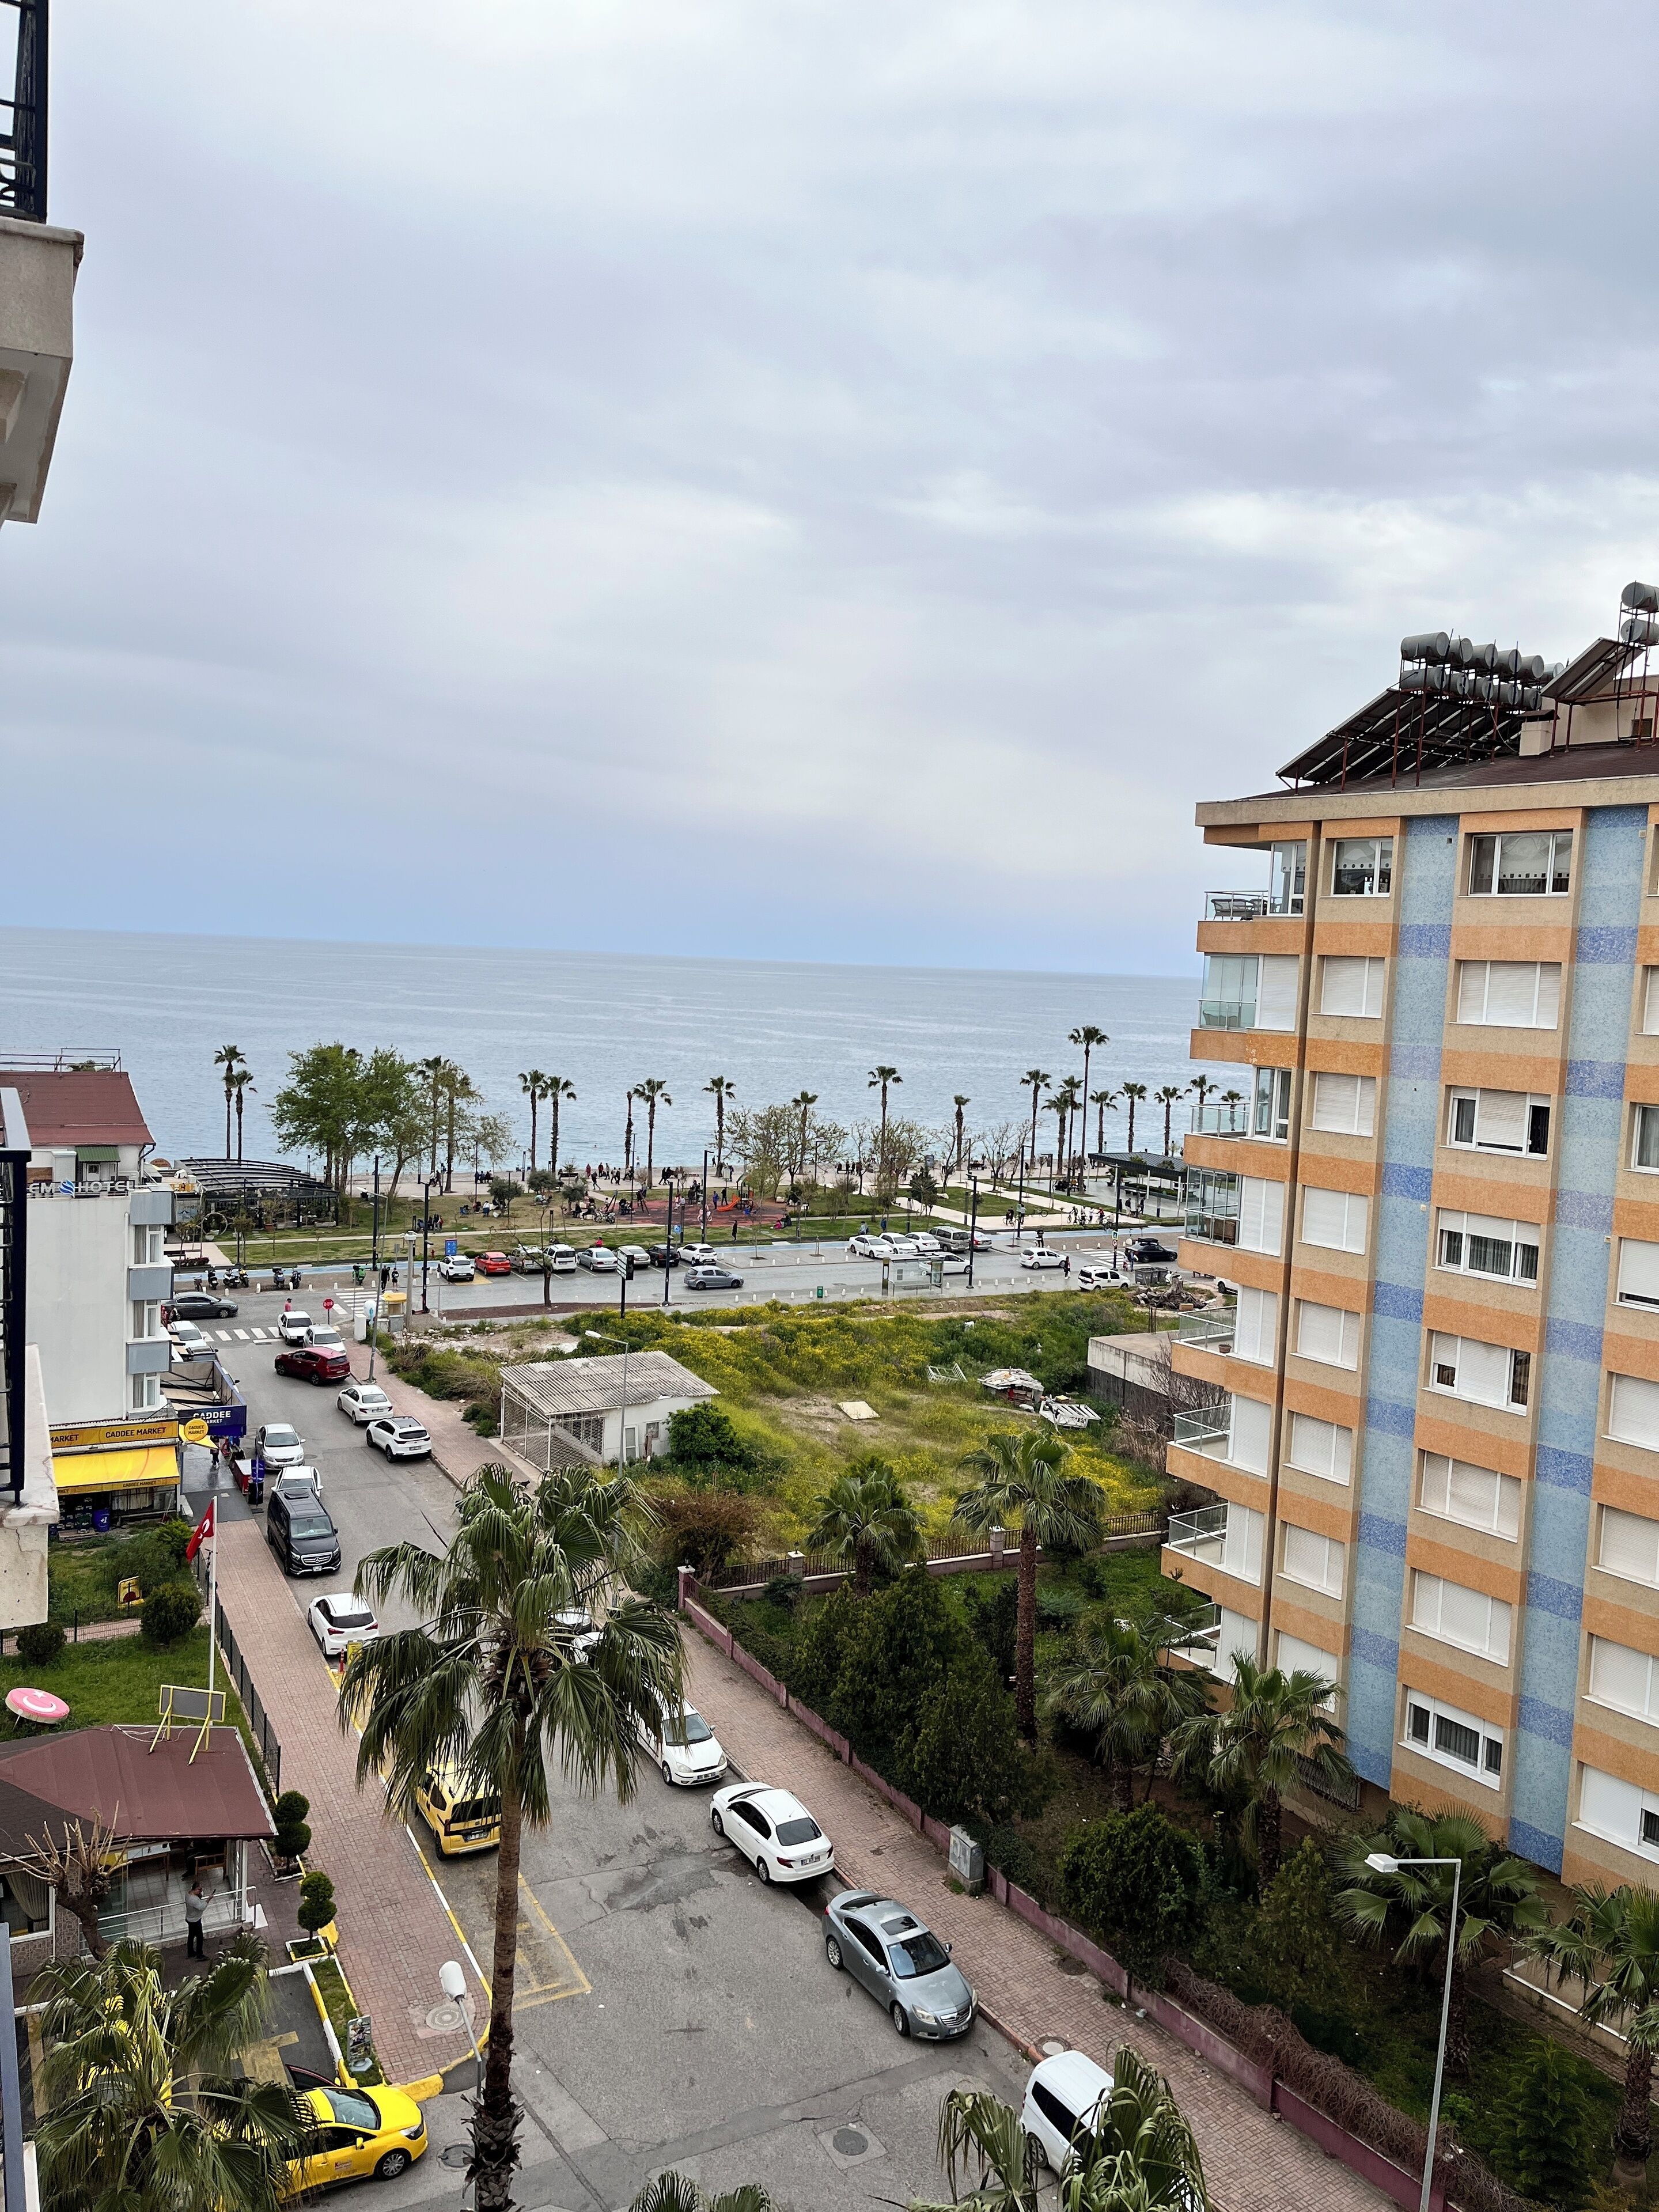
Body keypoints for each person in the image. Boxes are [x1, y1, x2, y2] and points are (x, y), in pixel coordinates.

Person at [185, 1878, 207, 1958]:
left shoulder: (188, 1894)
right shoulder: (193, 1899)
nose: (201, 1891)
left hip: (190, 1919)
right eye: (200, 1890)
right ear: (196, 1889)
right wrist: (208, 1900)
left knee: (191, 1936)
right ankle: (199, 1954)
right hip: (195, 1920)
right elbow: (202, 1907)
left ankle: (190, 1952)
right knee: (200, 1937)